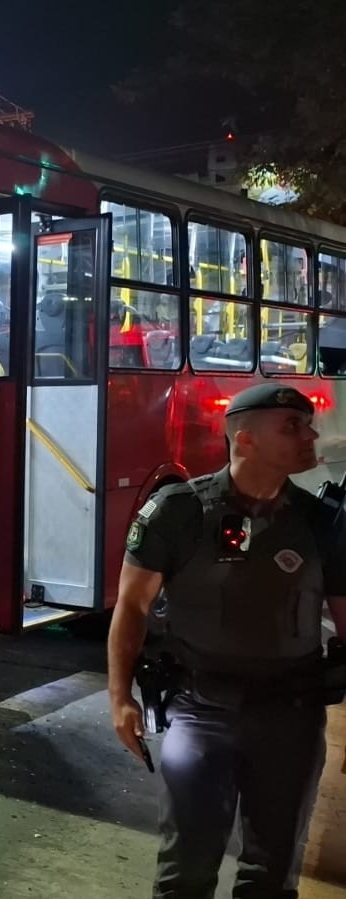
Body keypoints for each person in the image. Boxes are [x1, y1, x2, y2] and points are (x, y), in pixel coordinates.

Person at [108, 382, 346, 898]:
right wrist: (119, 697)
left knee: (271, 874)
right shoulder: (178, 511)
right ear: (245, 440)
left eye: (308, 424)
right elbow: (132, 606)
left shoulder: (322, 522)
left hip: (292, 715)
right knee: (185, 872)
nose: (310, 435)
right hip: (200, 711)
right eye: (292, 427)